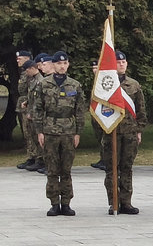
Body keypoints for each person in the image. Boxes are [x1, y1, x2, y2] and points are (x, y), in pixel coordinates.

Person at [32, 51, 85, 216]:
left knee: (66, 169)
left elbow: (80, 111)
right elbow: (38, 109)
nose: (62, 66)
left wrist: (78, 132)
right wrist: (39, 131)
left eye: (65, 63)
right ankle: (54, 203)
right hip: (50, 130)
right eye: (59, 63)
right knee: (52, 169)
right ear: (53, 65)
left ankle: (66, 203)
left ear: (68, 65)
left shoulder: (75, 85)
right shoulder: (44, 84)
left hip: (69, 131)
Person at [102, 51, 147, 215]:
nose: (121, 64)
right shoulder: (105, 83)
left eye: (124, 62)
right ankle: (113, 202)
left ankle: (126, 202)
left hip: (129, 132)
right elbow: (97, 108)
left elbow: (141, 109)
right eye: (118, 62)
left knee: (127, 168)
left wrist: (139, 130)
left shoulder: (134, 85)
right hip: (111, 131)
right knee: (112, 168)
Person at [16, 57, 44, 171]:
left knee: (38, 137)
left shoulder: (40, 81)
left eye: (27, 70)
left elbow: (39, 100)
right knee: (32, 136)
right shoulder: (33, 80)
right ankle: (37, 158)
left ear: (32, 68)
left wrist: (31, 112)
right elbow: (31, 97)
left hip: (36, 114)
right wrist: (26, 103)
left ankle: (41, 160)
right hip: (31, 111)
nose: (26, 73)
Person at [28, 54, 54, 175]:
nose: (41, 67)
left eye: (44, 65)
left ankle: (53, 166)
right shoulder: (44, 82)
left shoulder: (50, 81)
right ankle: (48, 164)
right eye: (40, 65)